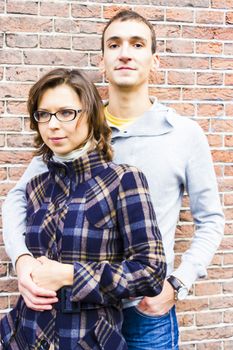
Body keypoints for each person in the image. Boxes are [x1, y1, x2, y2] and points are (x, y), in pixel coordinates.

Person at [2, 10, 224, 350]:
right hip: (77, 314)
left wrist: (176, 284)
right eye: (114, 44)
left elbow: (211, 220)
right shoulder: (74, 125)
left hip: (144, 309)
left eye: (137, 44)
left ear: (155, 60)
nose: (125, 53)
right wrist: (23, 262)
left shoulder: (183, 134)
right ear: (102, 59)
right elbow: (19, 198)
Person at [0, 68, 166, 349]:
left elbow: (150, 271)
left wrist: (69, 275)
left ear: (90, 114)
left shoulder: (123, 180)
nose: (53, 124)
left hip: (89, 339)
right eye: (44, 114)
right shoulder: (37, 186)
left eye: (66, 113)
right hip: (26, 335)